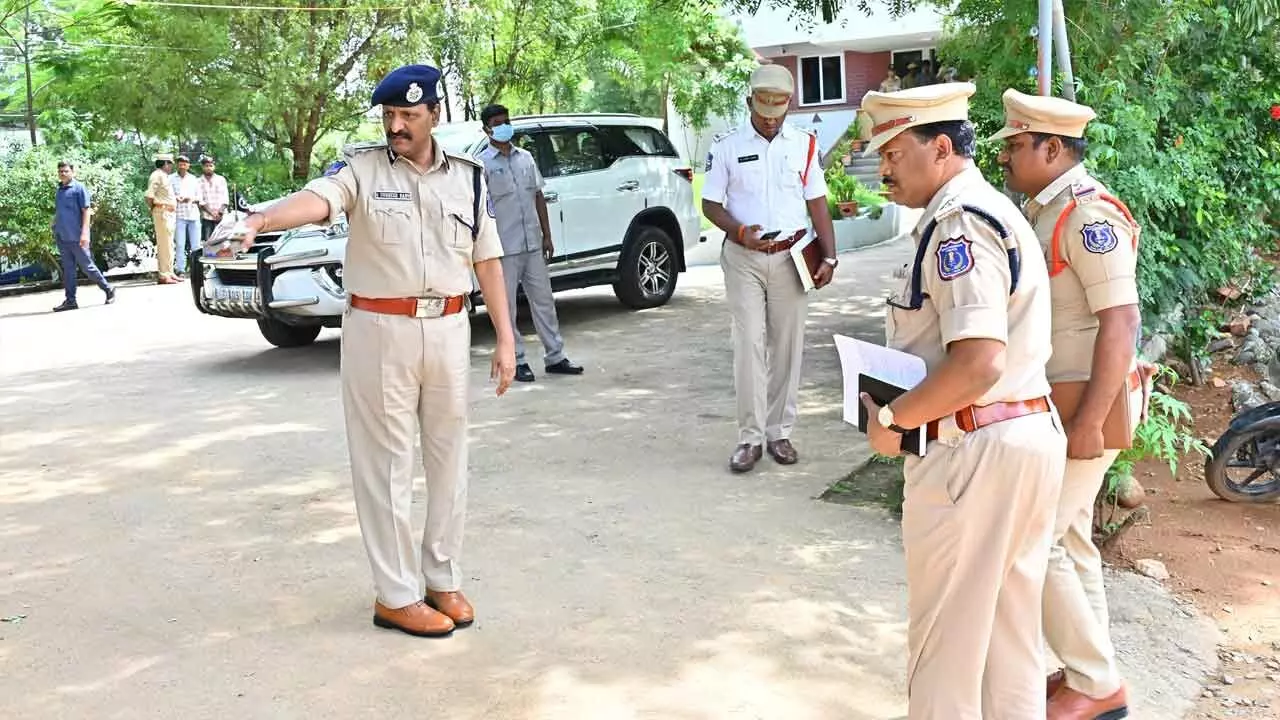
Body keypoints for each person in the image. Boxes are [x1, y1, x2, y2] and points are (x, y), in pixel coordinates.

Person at [233, 64, 517, 638]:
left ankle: (442, 577)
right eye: (390, 116)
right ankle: (396, 594)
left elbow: (487, 257)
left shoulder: (469, 176)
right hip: (379, 330)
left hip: (449, 328)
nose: (397, 126)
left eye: (409, 116)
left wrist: (507, 338)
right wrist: (263, 217)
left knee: (448, 460)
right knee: (385, 465)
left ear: (435, 114)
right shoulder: (361, 168)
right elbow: (318, 199)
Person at [856, 82, 1066, 719]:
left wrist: (894, 420)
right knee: (1009, 641)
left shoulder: (961, 225)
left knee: (945, 648)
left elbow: (978, 362)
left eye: (892, 152)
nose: (882, 167)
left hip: (974, 448)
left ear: (940, 147)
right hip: (1020, 437)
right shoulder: (992, 211)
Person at [993, 88, 1142, 720]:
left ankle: (1096, 682)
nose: (1005, 157)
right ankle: (1089, 672)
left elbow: (1122, 321)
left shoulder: (1085, 215)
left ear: (1052, 148)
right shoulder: (1044, 210)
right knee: (1071, 540)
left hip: (1088, 405)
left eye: (1016, 145)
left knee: (1035, 540)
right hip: (1062, 400)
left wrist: (1087, 422)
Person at [701, 62, 838, 473]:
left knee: (787, 346)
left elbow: (817, 202)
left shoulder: (805, 144)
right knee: (749, 345)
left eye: (777, 114)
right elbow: (710, 203)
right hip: (743, 258)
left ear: (788, 107)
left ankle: (779, 432)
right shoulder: (725, 146)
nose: (770, 121)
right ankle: (750, 438)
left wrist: (829, 255)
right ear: (749, 104)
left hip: (791, 257)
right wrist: (740, 231)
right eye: (763, 114)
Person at [477, 102, 584, 383]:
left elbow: (538, 196)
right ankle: (519, 360)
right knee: (507, 307)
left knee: (544, 302)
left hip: (533, 244)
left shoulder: (525, 157)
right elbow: (479, 209)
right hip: (503, 247)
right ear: (486, 129)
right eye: (497, 123)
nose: (504, 127)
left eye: (506, 121)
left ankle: (556, 356)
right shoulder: (482, 165)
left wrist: (547, 235)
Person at [50, 161, 115, 312]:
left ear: (72, 172)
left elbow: (86, 211)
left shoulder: (79, 188)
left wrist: (85, 233)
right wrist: (54, 225)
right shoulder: (59, 190)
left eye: (66, 171)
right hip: (62, 236)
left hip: (77, 236)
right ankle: (70, 300)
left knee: (88, 267)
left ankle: (108, 289)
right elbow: (61, 211)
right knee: (68, 270)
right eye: (60, 171)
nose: (63, 173)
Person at [144, 153, 181, 284]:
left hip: (168, 213)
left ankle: (169, 272)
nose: (171, 166)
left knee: (170, 244)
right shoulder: (156, 175)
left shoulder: (164, 176)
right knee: (164, 244)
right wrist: (156, 208)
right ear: (165, 163)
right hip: (162, 212)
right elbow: (149, 196)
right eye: (170, 163)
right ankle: (163, 274)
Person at [171, 155, 202, 277]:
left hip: (193, 215)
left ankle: (197, 269)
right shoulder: (171, 179)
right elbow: (167, 195)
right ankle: (180, 269)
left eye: (185, 163)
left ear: (188, 165)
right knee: (180, 244)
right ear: (177, 165)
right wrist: (176, 198)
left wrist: (190, 199)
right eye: (180, 163)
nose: (182, 165)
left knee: (196, 245)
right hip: (178, 215)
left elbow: (200, 198)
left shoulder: (194, 179)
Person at [197, 156, 229, 245]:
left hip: (221, 216)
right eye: (206, 166)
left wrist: (220, 212)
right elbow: (200, 201)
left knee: (224, 242)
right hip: (207, 217)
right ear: (203, 167)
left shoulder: (221, 179)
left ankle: (223, 258)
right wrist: (212, 213)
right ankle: (210, 258)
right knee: (209, 243)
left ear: (214, 166)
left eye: (211, 165)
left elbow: (225, 198)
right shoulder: (198, 181)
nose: (208, 168)